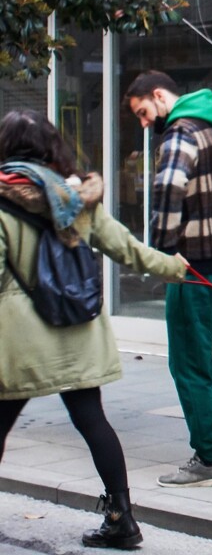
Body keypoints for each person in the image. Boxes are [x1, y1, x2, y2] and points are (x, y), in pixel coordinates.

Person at [0, 110, 189, 549]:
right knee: (92, 420)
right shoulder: (77, 197)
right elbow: (126, 248)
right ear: (51, 146)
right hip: (77, 330)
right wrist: (175, 268)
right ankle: (122, 519)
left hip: (18, 339)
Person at [122, 71, 212, 488]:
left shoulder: (180, 133)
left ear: (160, 96)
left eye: (143, 112)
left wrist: (161, 256)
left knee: (186, 359)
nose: (145, 123)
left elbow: (167, 195)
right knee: (198, 352)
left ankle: (207, 458)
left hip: (192, 263)